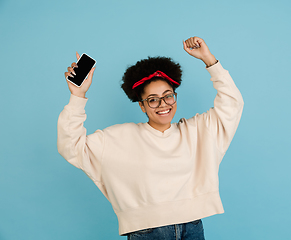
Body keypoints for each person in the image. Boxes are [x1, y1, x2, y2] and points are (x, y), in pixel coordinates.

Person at [58, 36, 244, 239]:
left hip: (192, 227)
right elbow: (71, 146)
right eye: (153, 100)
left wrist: (210, 60)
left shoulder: (197, 131)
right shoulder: (118, 137)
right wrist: (77, 96)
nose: (163, 104)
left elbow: (232, 105)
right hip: (147, 232)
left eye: (168, 95)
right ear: (142, 105)